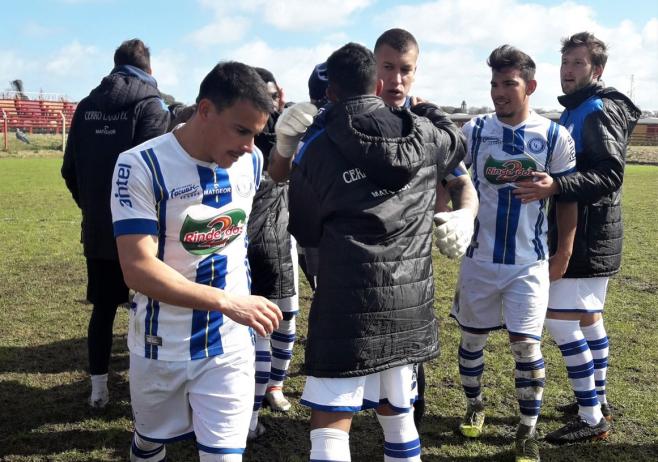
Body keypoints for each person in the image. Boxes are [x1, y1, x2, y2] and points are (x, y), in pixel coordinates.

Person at [286, 42, 465, 462]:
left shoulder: (314, 146)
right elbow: (457, 144)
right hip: (409, 303)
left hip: (346, 300)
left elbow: (304, 229)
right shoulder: (424, 133)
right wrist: (431, 111)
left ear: (330, 93)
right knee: (398, 414)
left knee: (330, 423)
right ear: (379, 83)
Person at [110, 61, 282, 462]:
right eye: (241, 130)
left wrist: (232, 306)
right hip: (161, 344)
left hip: (228, 345)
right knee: (150, 442)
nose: (248, 147)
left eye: (256, 134)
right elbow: (137, 269)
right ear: (205, 110)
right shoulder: (139, 165)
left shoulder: (251, 162)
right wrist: (227, 301)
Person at [512, 31, 641, 444]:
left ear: (596, 70)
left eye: (578, 64)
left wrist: (556, 187)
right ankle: (596, 400)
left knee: (559, 321)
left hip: (588, 232)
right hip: (594, 230)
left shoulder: (596, 110)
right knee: (588, 319)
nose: (568, 71)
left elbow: (609, 173)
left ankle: (591, 417)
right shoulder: (580, 108)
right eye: (565, 63)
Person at [452, 45, 578, 462]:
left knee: (527, 346)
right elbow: (449, 174)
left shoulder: (555, 135)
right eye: (494, 83)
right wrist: (450, 216)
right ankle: (475, 404)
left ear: (531, 87)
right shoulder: (474, 130)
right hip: (479, 260)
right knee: (471, 340)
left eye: (510, 83)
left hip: (529, 263)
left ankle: (527, 431)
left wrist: (563, 254)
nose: (499, 92)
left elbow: (567, 199)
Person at [373, 27, 479, 430]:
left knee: (406, 376)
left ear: (415, 73)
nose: (396, 80)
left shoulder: (428, 129)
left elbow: (463, 185)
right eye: (388, 68)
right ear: (373, 67)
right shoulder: (352, 122)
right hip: (357, 268)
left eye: (406, 70)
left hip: (411, 272)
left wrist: (464, 214)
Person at [61, 38, 170, 409]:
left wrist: (93, 208)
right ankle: (151, 391)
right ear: (149, 69)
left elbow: (69, 170)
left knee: (103, 308)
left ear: (114, 65)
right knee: (151, 308)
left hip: (100, 229)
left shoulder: (85, 107)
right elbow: (158, 175)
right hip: (143, 233)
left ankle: (98, 389)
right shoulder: (153, 106)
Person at [246, 68, 298, 442]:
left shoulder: (284, 126)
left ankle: (274, 387)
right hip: (261, 237)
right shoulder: (261, 132)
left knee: (280, 319)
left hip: (278, 233)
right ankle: (253, 409)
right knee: (268, 323)